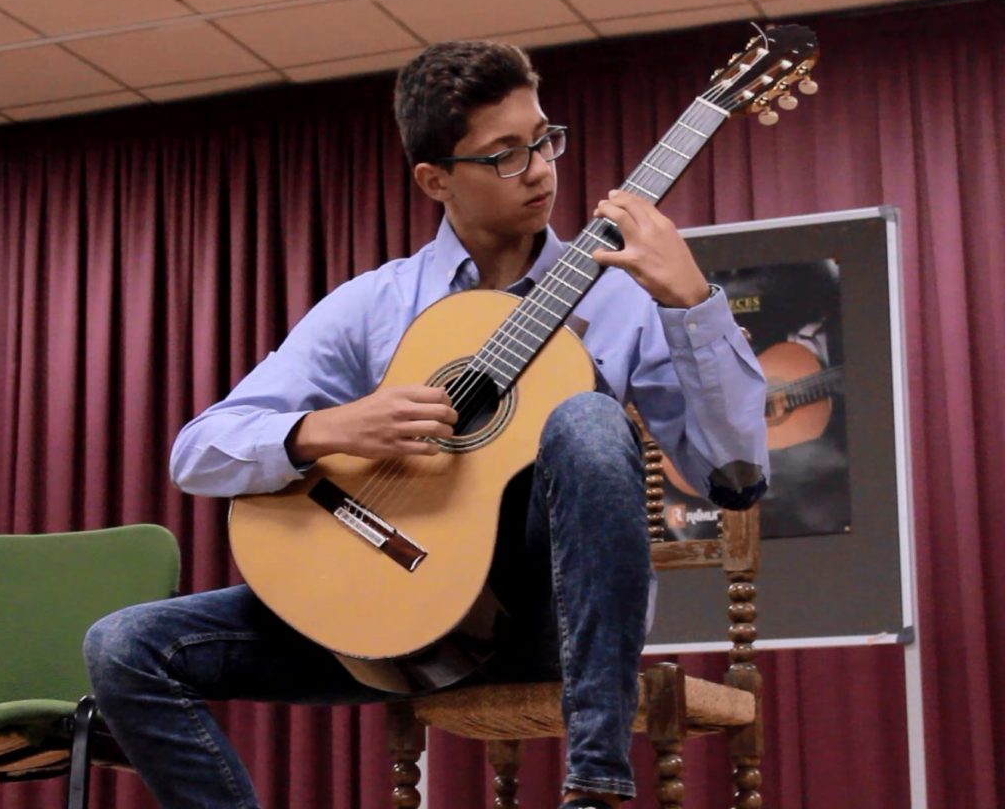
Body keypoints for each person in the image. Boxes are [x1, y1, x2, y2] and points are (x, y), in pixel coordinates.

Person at [84, 40, 768, 809]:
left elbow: (732, 478)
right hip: (392, 614)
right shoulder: (375, 303)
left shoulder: (624, 295)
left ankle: (595, 786)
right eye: (503, 155)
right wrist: (329, 428)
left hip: (549, 624)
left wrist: (690, 304)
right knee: (122, 647)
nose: (538, 170)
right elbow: (196, 453)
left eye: (543, 140)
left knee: (585, 416)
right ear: (433, 179)